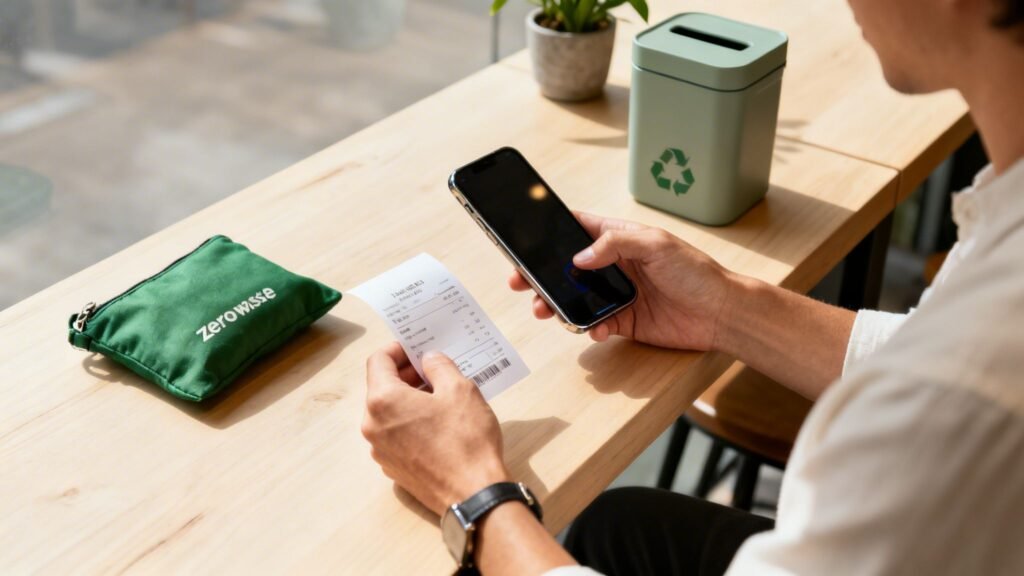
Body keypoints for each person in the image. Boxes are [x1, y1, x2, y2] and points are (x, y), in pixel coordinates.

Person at [360, 0, 1024, 573]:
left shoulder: (965, 392)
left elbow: (946, 384)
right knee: (616, 528)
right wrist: (727, 308)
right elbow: (923, 349)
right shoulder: (999, 250)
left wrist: (472, 492)